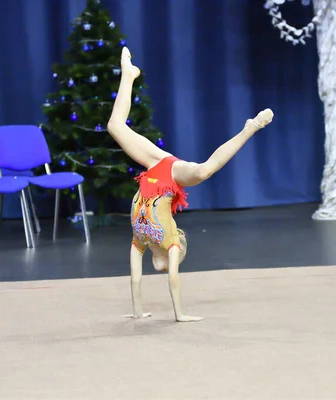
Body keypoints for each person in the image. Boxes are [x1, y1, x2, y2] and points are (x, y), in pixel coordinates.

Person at [107, 47, 273, 322]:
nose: (160, 268)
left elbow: (135, 278)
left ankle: (128, 75)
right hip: (170, 172)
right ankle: (251, 127)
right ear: (179, 249)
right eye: (166, 265)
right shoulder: (171, 243)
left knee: (114, 126)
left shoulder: (141, 241)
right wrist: (180, 314)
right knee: (204, 170)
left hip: (153, 167)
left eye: (159, 267)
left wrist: (137, 311)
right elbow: (173, 280)